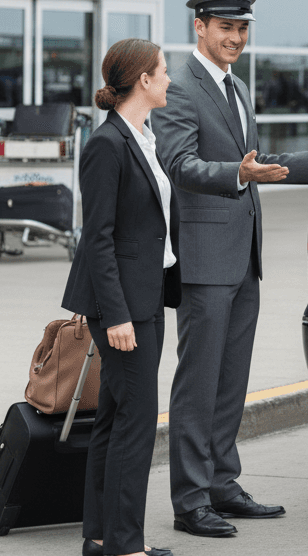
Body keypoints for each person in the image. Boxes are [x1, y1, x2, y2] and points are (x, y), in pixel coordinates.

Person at [156, 0, 308, 538]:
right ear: (200, 26)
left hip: (243, 257)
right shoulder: (180, 87)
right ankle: (191, 501)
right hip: (204, 258)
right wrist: (239, 175)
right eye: (226, 27)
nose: (236, 38)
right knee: (199, 382)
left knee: (230, 380)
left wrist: (303, 162)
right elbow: (180, 164)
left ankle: (223, 483)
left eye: (243, 29)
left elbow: (252, 160)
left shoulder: (236, 86)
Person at [61, 38, 180, 556]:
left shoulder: (144, 136)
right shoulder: (107, 145)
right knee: (135, 426)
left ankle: (101, 537)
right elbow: (98, 236)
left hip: (145, 296)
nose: (170, 79)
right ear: (144, 81)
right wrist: (115, 315)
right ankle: (127, 547)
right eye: (164, 71)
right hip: (125, 308)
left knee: (112, 422)